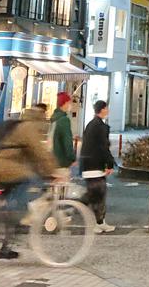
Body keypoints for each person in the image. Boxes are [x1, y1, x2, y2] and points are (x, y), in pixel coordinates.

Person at [0, 105, 55, 259]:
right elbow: (40, 153)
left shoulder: (16, 127)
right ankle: (15, 218)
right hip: (2, 171)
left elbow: (31, 157)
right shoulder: (28, 128)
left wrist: (44, 171)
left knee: (10, 203)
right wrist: (53, 171)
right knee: (31, 181)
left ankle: (5, 245)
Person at [80, 100, 116, 233]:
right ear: (102, 109)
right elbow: (103, 147)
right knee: (96, 196)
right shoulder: (100, 127)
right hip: (95, 166)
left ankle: (100, 222)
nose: (108, 110)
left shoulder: (90, 124)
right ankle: (96, 222)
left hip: (89, 165)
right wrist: (109, 163)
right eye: (106, 108)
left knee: (96, 195)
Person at [50, 91, 75, 176]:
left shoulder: (54, 117)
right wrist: (72, 158)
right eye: (69, 102)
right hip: (62, 162)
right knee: (62, 186)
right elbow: (67, 141)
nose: (70, 105)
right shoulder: (64, 120)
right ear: (65, 103)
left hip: (53, 161)